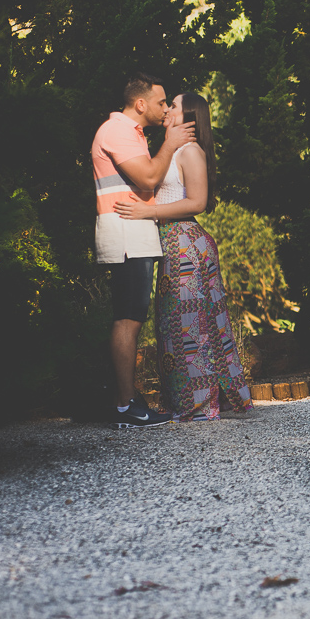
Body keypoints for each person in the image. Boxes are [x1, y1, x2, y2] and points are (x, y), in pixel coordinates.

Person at [116, 93, 254, 421]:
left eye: (173, 105)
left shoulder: (191, 151)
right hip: (171, 245)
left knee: (192, 328)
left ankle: (201, 405)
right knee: (171, 327)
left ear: (189, 115)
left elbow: (198, 202)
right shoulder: (172, 151)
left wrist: (146, 212)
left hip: (187, 245)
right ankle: (183, 402)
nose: (167, 109)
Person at [92, 73, 195, 429]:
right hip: (125, 233)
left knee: (131, 315)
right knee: (128, 318)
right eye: (161, 102)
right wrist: (171, 142)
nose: (165, 108)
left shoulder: (129, 132)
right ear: (141, 104)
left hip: (133, 232)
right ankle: (125, 407)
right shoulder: (118, 131)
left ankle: (125, 401)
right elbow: (149, 179)